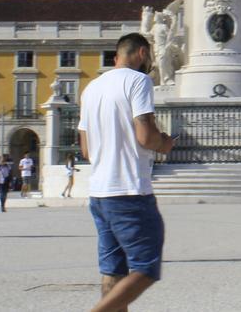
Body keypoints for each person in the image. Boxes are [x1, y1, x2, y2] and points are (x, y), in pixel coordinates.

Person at [78, 33, 175, 312]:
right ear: (142, 53)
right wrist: (165, 143)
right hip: (129, 191)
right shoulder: (139, 81)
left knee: (113, 270)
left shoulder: (91, 89)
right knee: (146, 268)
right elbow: (145, 135)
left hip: (99, 194)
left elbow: (86, 150)